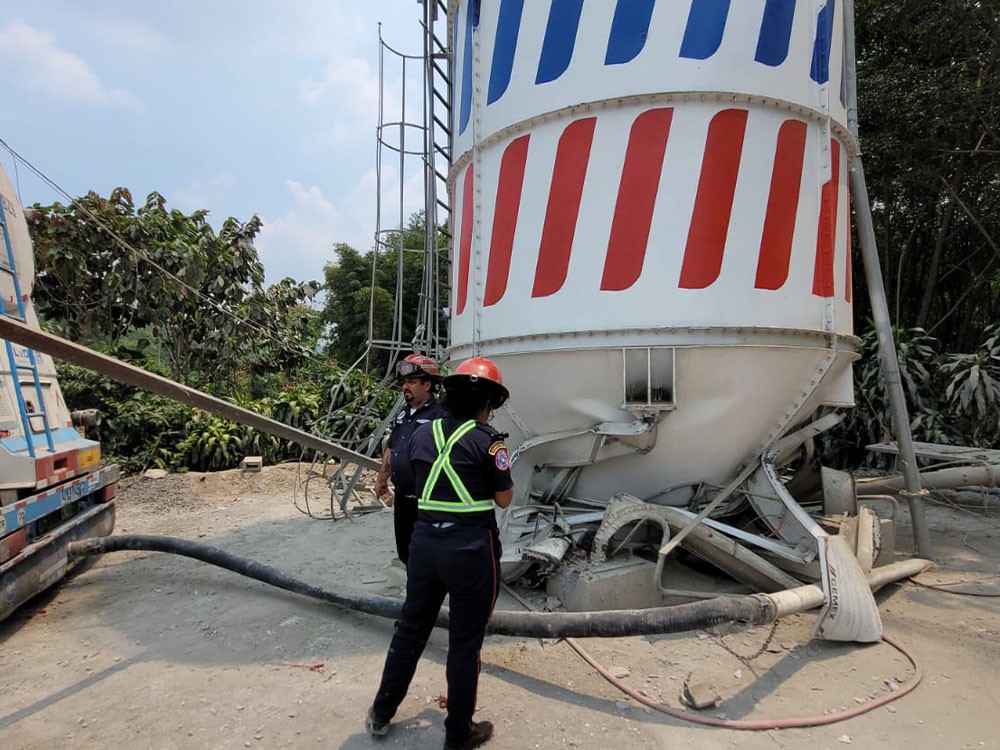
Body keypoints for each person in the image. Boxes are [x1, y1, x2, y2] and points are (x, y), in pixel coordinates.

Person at [366, 356, 513, 750]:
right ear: (487, 405)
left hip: (425, 545)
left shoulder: (420, 435)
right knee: (465, 644)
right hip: (470, 551)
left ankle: (381, 713)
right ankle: (458, 734)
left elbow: (407, 478)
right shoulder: (489, 441)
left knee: (410, 628)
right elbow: (503, 499)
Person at [374, 353, 445, 565]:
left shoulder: (440, 416)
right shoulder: (402, 416)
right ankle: (415, 591)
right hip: (403, 498)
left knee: (429, 554)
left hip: (430, 501)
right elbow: (392, 449)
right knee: (405, 552)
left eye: (412, 382)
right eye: (405, 382)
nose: (406, 386)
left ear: (427, 385)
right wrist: (381, 479)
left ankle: (430, 595)